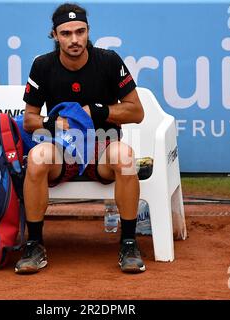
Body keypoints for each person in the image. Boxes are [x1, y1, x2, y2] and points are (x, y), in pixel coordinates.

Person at [16, 2, 145, 274]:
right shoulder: (42, 65)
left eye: (80, 31)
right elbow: (29, 120)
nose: (74, 40)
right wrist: (56, 122)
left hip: (102, 147)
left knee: (126, 156)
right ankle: (35, 244)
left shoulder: (109, 61)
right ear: (54, 35)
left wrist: (99, 111)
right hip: (62, 149)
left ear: (88, 31)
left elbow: (137, 111)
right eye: (66, 33)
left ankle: (129, 243)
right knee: (37, 158)